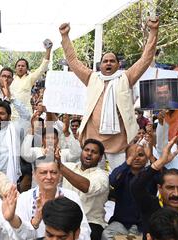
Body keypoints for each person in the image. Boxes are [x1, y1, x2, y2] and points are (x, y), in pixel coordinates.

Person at [59, 18, 159, 171]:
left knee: (119, 178)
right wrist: (65, 37)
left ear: (118, 65)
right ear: (100, 64)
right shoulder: (91, 77)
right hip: (92, 140)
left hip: (118, 142)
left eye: (112, 61)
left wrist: (153, 31)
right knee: (92, 179)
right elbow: (72, 61)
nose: (108, 63)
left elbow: (146, 58)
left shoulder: (126, 77)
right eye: (105, 61)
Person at [101, 143, 155, 240]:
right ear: (126, 157)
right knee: (105, 238)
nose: (136, 158)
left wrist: (152, 158)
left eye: (140, 155)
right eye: (132, 155)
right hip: (122, 224)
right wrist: (127, 163)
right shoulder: (123, 173)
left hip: (143, 225)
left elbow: (165, 178)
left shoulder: (151, 173)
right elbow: (112, 180)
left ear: (146, 157)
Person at [58, 139, 109, 240]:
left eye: (94, 152)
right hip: (66, 218)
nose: (89, 153)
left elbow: (87, 187)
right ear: (82, 152)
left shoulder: (102, 176)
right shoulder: (69, 167)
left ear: (100, 158)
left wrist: (60, 167)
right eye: (86, 150)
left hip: (91, 222)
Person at [0, 41, 52, 119]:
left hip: (26, 115)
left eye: (23, 66)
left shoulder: (30, 78)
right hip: (11, 115)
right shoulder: (10, 78)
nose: (20, 67)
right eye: (18, 66)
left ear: (27, 68)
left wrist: (48, 50)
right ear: (15, 68)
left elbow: (43, 67)